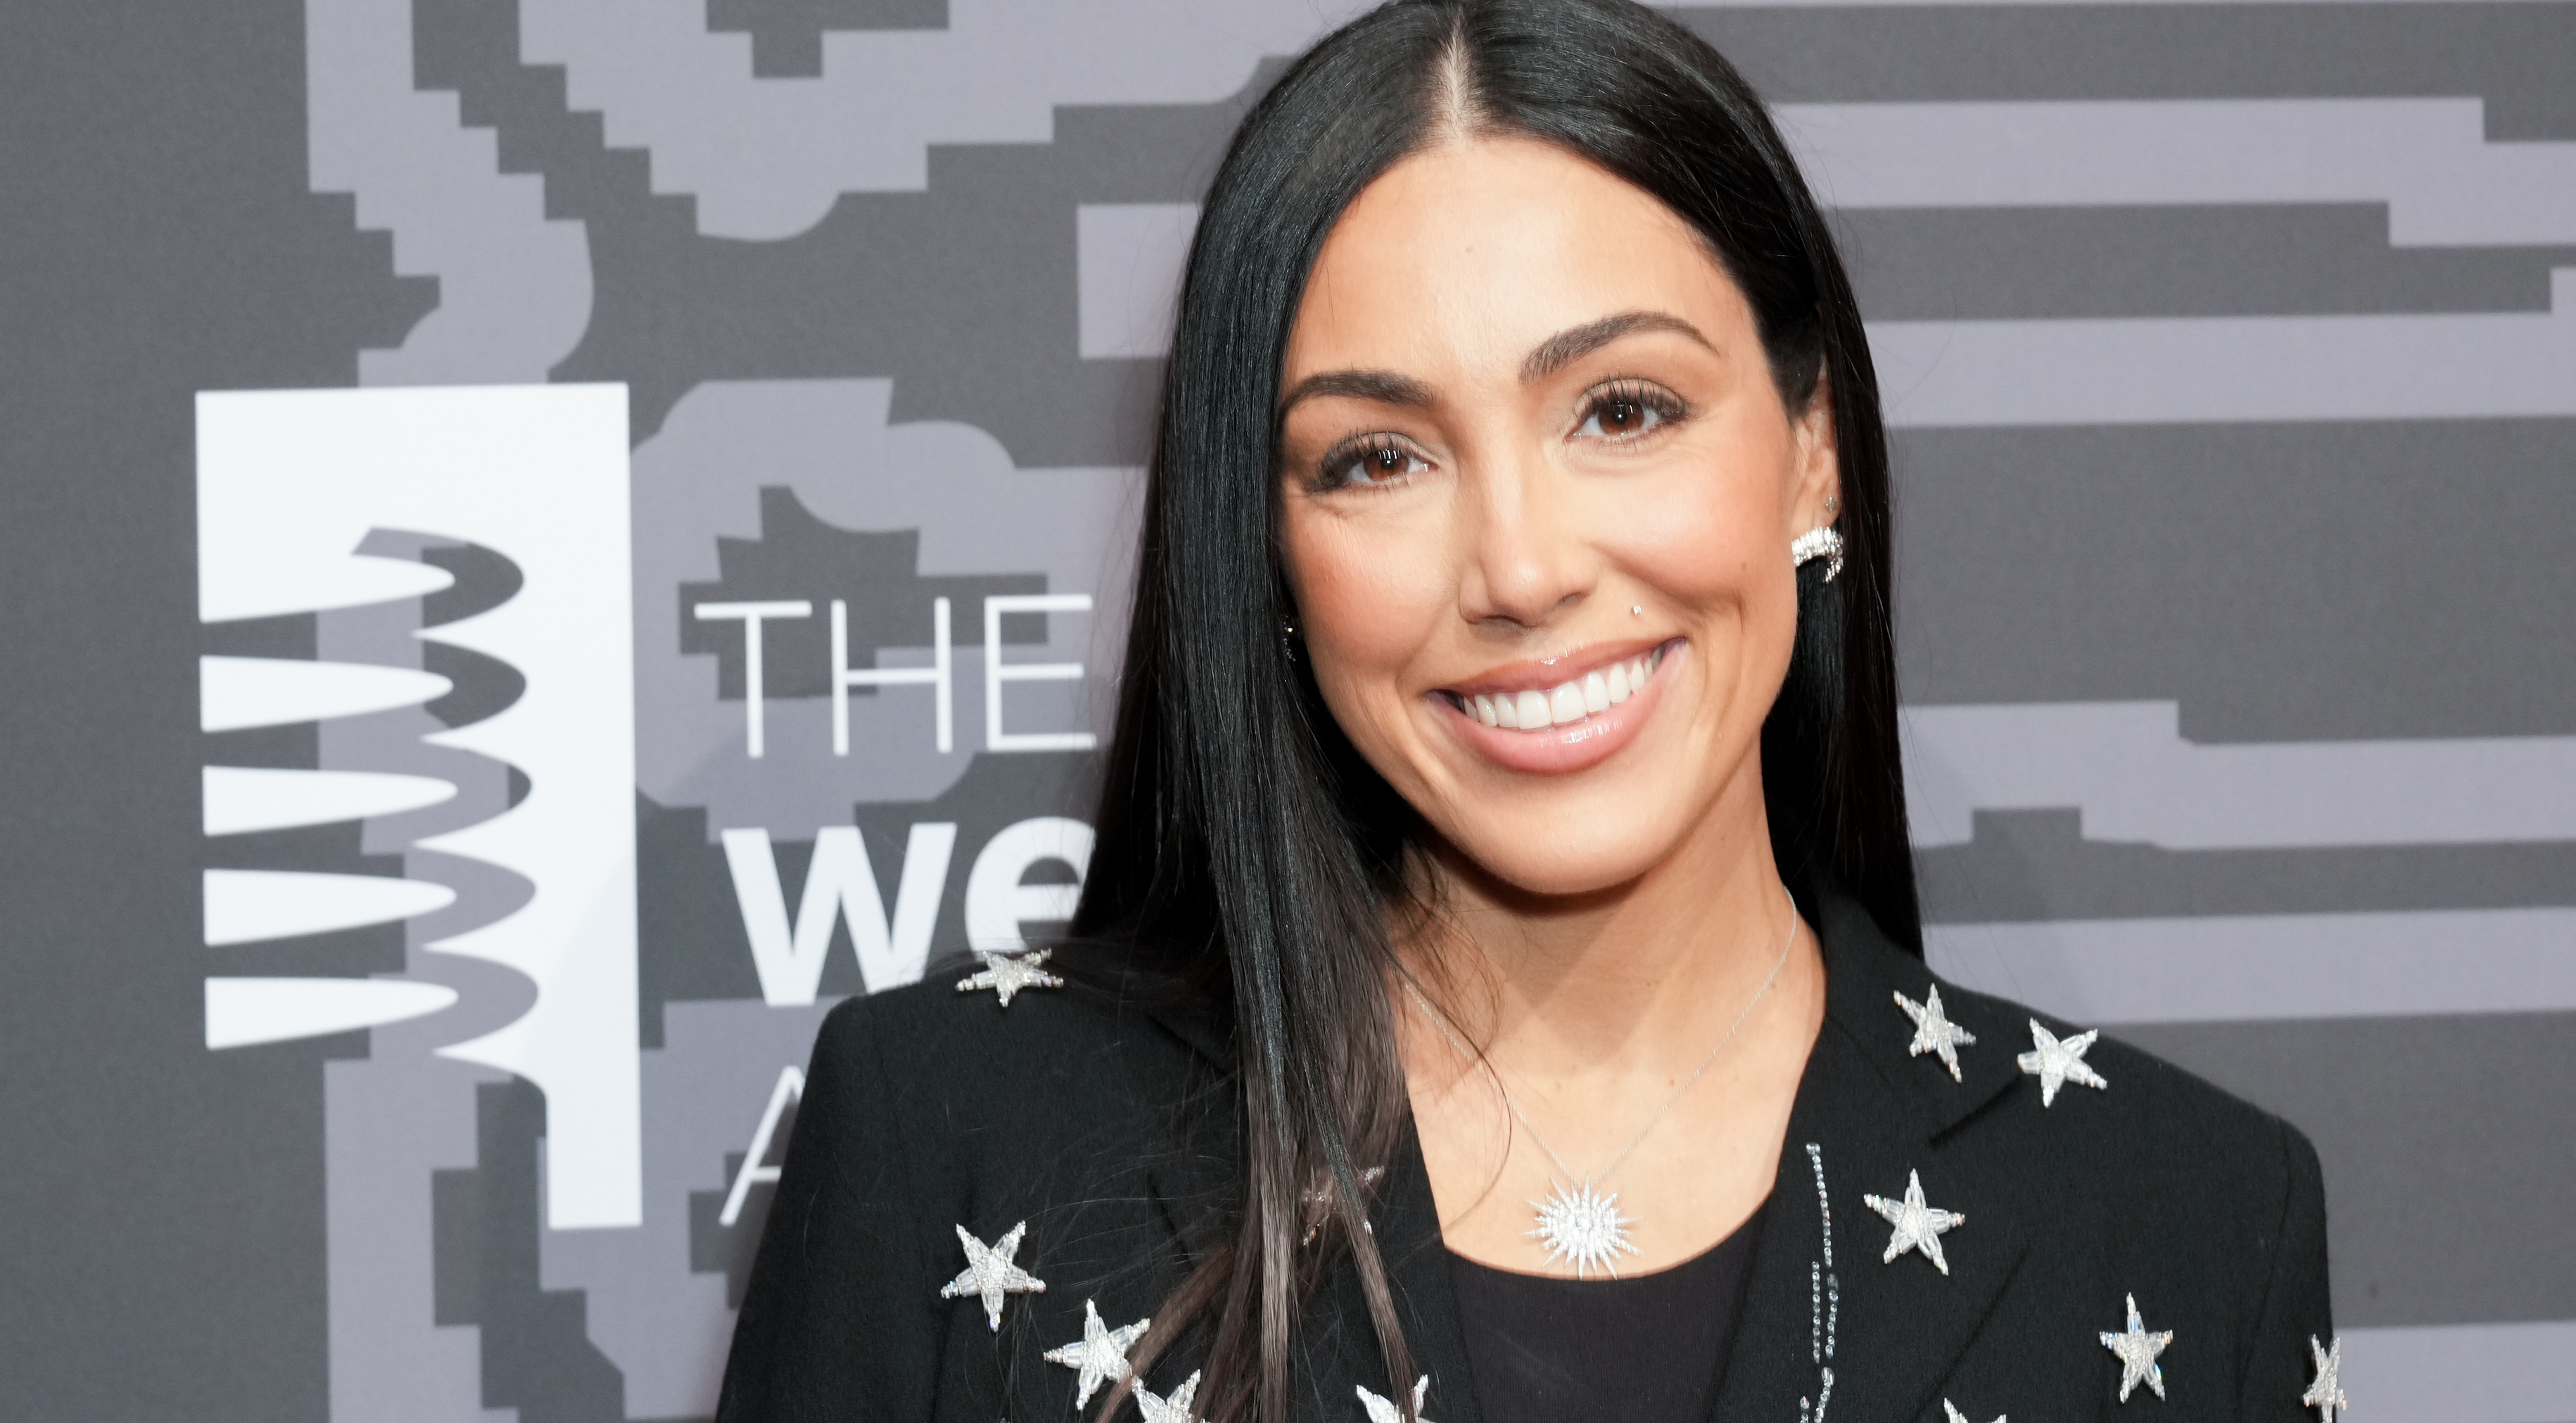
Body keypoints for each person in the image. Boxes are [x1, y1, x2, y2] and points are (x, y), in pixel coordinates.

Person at [716, 1, 2335, 1420]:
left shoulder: (2181, 1216)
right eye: (1377, 456)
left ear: (1812, 447)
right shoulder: (952, 1136)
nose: (1518, 565)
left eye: (1620, 410)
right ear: (1266, 549)